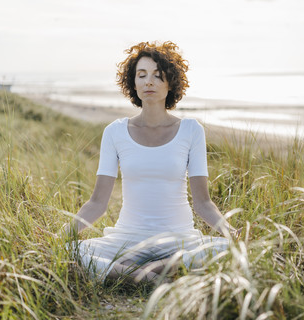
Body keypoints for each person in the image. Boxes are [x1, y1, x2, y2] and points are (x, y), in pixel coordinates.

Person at [62, 41, 239, 283]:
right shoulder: (115, 132)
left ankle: (139, 271)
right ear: (133, 83)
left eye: (158, 75)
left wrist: (232, 234)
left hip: (179, 239)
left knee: (230, 250)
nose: (149, 82)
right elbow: (97, 203)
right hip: (128, 238)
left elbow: (203, 203)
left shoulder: (191, 130)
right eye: (141, 75)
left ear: (170, 82)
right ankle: (152, 276)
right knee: (71, 252)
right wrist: (60, 236)